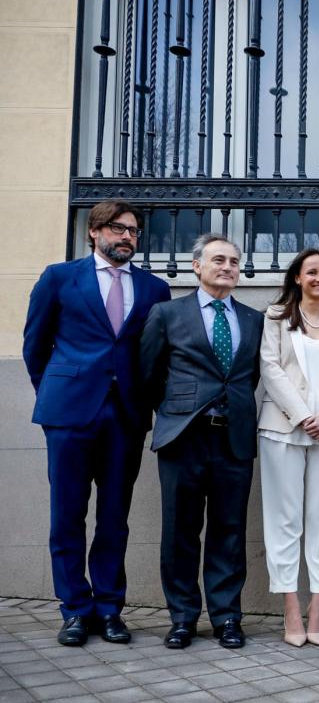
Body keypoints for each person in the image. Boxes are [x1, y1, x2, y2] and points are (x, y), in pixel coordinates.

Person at [23, 200, 171, 646]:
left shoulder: (154, 288)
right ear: (94, 231)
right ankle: (74, 610)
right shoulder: (59, 277)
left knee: (113, 518)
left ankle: (109, 609)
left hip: (125, 415)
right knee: (67, 515)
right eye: (117, 228)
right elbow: (35, 346)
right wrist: (57, 393)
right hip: (69, 414)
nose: (127, 236)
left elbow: (155, 354)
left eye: (133, 231)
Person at [140, 233, 264, 650]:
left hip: (234, 439)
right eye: (218, 260)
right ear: (197, 267)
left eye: (233, 261)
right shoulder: (166, 313)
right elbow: (148, 374)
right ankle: (182, 618)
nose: (227, 267)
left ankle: (227, 617)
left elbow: (250, 377)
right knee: (180, 530)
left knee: (229, 531)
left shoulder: (253, 319)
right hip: (183, 438)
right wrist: (176, 411)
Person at [258, 248, 319, 647]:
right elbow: (270, 368)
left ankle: (318, 606)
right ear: (297, 277)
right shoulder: (276, 318)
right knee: (284, 521)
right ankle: (291, 608)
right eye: (312, 271)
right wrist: (303, 416)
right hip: (282, 430)